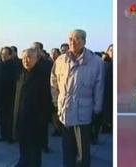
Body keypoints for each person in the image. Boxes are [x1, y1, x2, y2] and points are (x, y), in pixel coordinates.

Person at [51, 29, 105, 167]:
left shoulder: (95, 62)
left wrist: (96, 108)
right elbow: (54, 82)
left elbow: (99, 88)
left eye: (77, 39)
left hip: (84, 112)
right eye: (71, 39)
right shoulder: (61, 60)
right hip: (65, 112)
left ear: (84, 41)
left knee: (83, 153)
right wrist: (57, 101)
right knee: (67, 149)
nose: (73, 42)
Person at [14, 48, 52, 167]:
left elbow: (46, 99)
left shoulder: (42, 75)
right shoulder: (21, 73)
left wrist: (43, 117)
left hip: (35, 117)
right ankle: (23, 160)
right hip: (21, 115)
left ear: (36, 59)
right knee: (22, 141)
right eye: (24, 58)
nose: (26, 60)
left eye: (29, 57)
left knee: (34, 145)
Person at [0, 46, 18, 143]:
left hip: (11, 95)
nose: (3, 56)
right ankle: (3, 135)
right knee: (3, 117)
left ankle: (10, 136)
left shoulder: (14, 66)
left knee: (10, 117)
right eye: (2, 54)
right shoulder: (0, 65)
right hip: (2, 95)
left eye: (5, 54)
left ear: (10, 55)